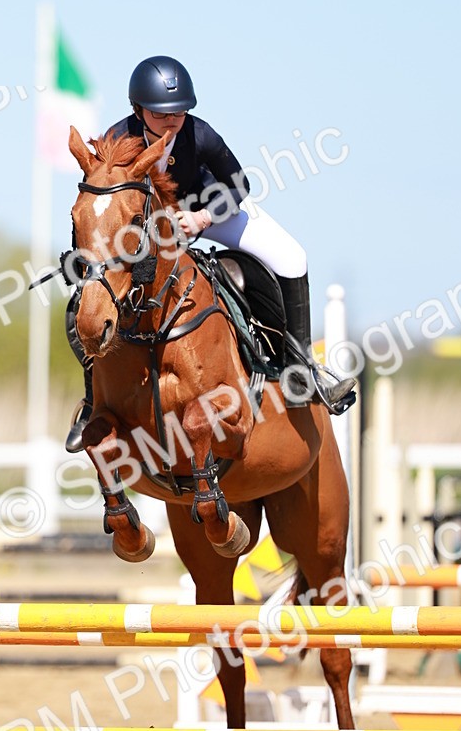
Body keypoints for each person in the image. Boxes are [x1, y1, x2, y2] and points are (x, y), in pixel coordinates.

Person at [65, 55, 355, 452]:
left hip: (209, 211)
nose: (172, 120)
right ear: (138, 110)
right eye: (161, 112)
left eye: (180, 111)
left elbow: (239, 185)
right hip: (149, 228)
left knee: (292, 256)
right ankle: (92, 403)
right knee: (89, 298)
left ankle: (300, 367)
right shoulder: (118, 138)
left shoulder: (201, 135)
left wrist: (202, 218)